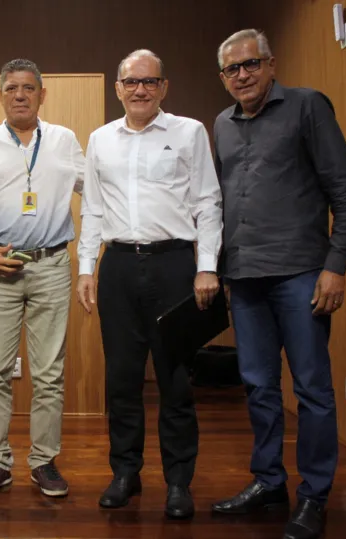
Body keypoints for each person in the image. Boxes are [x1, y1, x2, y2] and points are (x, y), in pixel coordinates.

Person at [211, 29, 346, 539]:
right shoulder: (222, 124)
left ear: (271, 64)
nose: (242, 75)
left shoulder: (307, 108)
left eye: (250, 64)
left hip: (303, 273)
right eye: (231, 69)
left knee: (312, 390)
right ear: (223, 77)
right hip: (246, 277)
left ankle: (315, 496)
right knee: (257, 386)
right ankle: (269, 481)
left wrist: (336, 264)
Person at [76, 49, 222, 517]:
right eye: (132, 82)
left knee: (175, 380)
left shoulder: (189, 132)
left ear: (163, 88)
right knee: (121, 379)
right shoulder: (100, 139)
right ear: (118, 88)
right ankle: (125, 473)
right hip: (117, 266)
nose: (141, 89)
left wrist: (207, 265)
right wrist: (85, 268)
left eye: (150, 82)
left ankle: (179, 482)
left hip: (176, 266)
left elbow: (208, 201)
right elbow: (94, 208)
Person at [0, 59, 84, 498]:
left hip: (52, 265)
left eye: (28, 88)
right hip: (0, 269)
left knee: (49, 374)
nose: (20, 94)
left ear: (41, 94)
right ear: (0, 94)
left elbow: (96, 190)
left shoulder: (65, 140)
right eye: (11, 88)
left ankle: (44, 461)